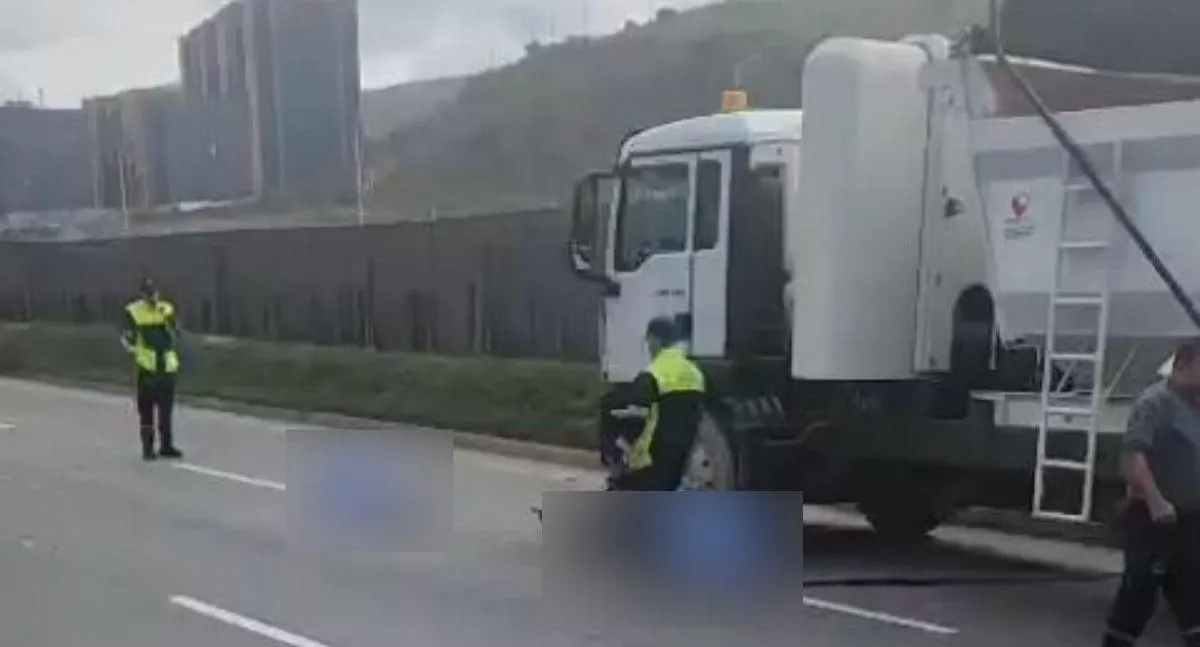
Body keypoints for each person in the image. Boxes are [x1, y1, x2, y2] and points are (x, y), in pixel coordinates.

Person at [1102, 338, 1200, 647]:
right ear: (1183, 363)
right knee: (1139, 592)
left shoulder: (1195, 406)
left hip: (1189, 520)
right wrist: (1157, 502)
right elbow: (1135, 455)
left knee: (1192, 595)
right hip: (1152, 520)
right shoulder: (1154, 403)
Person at [607, 316, 706, 491]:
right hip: (681, 461)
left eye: (649, 341)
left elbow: (636, 420)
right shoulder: (695, 373)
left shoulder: (652, 374)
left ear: (655, 340)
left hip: (650, 462)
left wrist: (619, 450)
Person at [122, 278, 184, 461]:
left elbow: (176, 331)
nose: (152, 297)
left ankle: (166, 445)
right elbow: (127, 339)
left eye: (154, 293)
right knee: (147, 409)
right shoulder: (133, 312)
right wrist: (137, 350)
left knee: (166, 410)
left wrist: (170, 325)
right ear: (142, 295)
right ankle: (148, 448)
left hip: (166, 366)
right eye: (148, 294)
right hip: (147, 367)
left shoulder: (166, 309)